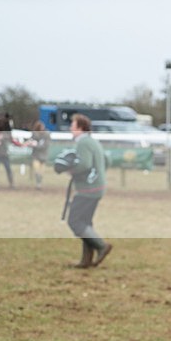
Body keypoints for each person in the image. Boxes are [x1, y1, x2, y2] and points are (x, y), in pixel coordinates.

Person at [65, 114, 112, 268]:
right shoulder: (93, 141)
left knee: (75, 221)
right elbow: (107, 160)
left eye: (73, 125)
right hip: (97, 187)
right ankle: (86, 260)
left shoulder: (83, 143)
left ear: (80, 128)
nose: (70, 128)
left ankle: (101, 246)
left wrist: (71, 170)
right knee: (85, 222)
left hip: (88, 189)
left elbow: (84, 164)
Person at [0, 114, 20, 189]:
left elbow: (10, 139)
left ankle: (12, 184)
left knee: (8, 169)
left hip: (4, 154)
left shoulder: (6, 133)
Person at [29, 120, 52, 189]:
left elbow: (45, 145)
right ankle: (38, 183)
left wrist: (36, 145)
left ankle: (39, 183)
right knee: (37, 170)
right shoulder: (34, 134)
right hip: (36, 156)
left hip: (43, 156)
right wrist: (31, 143)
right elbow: (31, 141)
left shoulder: (46, 135)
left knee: (41, 172)